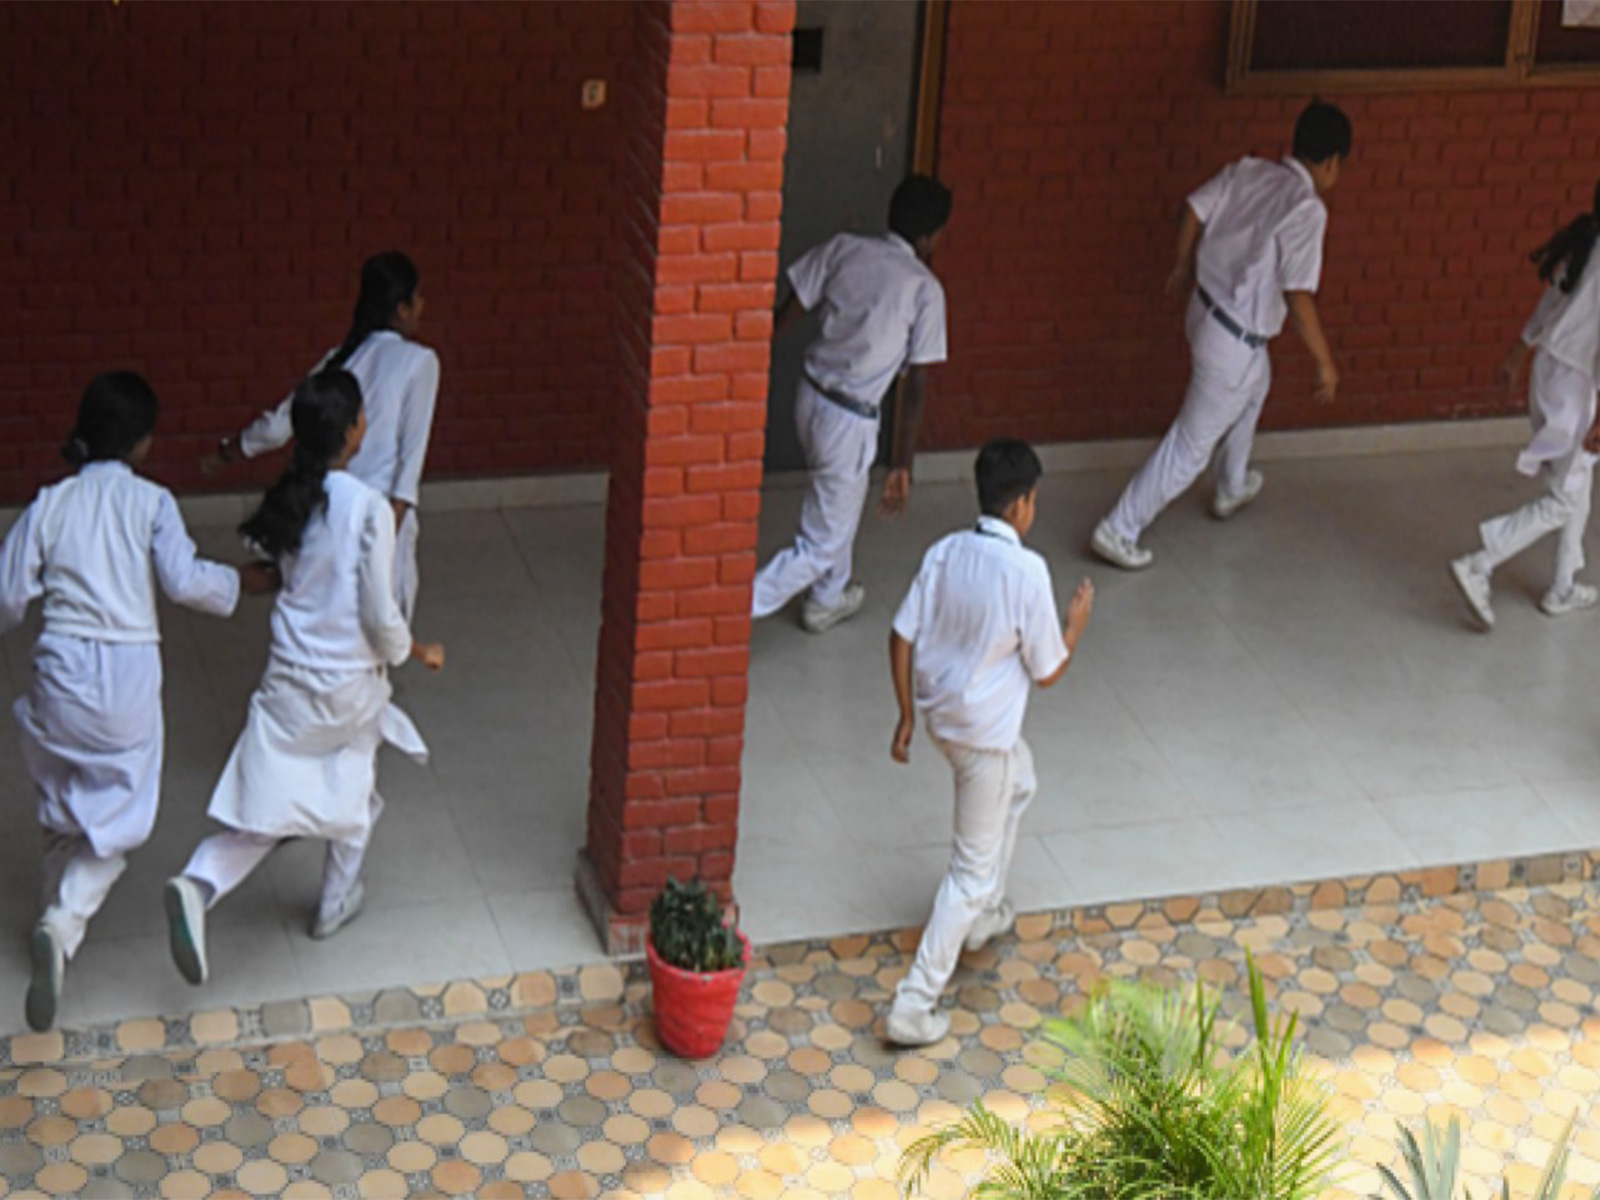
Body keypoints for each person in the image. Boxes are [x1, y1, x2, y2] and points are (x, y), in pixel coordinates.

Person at [0, 373, 275, 1030]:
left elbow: (7, 598)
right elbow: (183, 583)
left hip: (58, 673)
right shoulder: (151, 503)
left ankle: (53, 923)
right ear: (144, 442)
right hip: (124, 681)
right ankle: (64, 924)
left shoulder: (49, 504)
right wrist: (248, 583)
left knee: (63, 804)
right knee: (121, 817)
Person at [165, 369, 445, 987]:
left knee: (265, 813)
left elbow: (286, 577)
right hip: (347, 691)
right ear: (353, 432)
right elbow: (379, 613)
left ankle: (200, 881)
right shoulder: (369, 508)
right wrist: (413, 651)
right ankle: (334, 902)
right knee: (356, 793)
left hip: (286, 685)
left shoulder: (293, 497)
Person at [884, 439, 1094, 1046]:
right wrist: (1074, 628)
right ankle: (914, 1003)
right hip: (982, 743)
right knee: (967, 873)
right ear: (1023, 504)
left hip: (940, 724)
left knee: (1022, 780)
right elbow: (1049, 671)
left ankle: (986, 912)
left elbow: (900, 635)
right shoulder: (1027, 571)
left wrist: (903, 714)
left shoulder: (946, 552)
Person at [1091, 100, 1352, 570]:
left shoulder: (1249, 170)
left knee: (1257, 384)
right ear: (1332, 162)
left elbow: (1193, 208)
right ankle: (1119, 527)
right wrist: (1324, 362)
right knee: (1189, 447)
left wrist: (1180, 262)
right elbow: (1298, 296)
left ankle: (1231, 486)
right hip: (1233, 338)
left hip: (1204, 311)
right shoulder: (1307, 209)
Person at [751, 175, 953, 633]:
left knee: (839, 500)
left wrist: (753, 348)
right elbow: (916, 384)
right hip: (850, 418)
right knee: (822, 539)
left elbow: (793, 305)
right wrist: (901, 463)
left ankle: (828, 596)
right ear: (927, 237)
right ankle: (733, 608)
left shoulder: (846, 248)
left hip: (809, 396)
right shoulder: (925, 290)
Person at [205, 251, 438, 620]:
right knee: (372, 627)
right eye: (418, 298)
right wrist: (385, 539)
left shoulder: (341, 357)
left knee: (318, 606)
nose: (423, 306)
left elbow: (282, 422)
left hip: (325, 507)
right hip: (378, 517)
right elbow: (409, 465)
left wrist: (230, 451)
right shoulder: (420, 362)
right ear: (401, 308)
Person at [1450, 180, 1600, 629]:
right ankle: (1479, 563)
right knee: (1561, 497)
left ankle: (1562, 586)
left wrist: (1516, 355)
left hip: (1548, 372)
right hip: (1575, 384)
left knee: (1578, 484)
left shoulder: (1585, 242)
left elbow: (1547, 307)